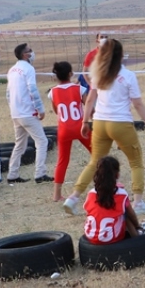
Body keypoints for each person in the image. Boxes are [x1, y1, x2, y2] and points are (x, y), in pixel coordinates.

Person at [62, 38, 145, 217]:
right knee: (136, 162)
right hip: (120, 123)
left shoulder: (97, 73)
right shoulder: (128, 75)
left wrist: (85, 122)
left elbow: (90, 99)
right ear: (121, 55)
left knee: (94, 162)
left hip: (99, 122)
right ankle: (138, 202)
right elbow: (138, 104)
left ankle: (73, 197)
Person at [5, 43, 50, 184]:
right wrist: (40, 109)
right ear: (25, 55)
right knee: (42, 141)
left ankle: (12, 174)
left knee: (20, 144)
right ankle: (40, 173)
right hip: (27, 113)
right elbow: (32, 89)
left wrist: (12, 107)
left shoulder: (12, 70)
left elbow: (8, 93)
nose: (32, 52)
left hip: (16, 113)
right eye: (30, 50)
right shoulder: (28, 69)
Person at [49, 61, 92, 203]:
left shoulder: (53, 92)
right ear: (70, 74)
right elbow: (88, 107)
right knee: (98, 153)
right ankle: (108, 182)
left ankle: (56, 195)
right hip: (80, 127)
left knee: (62, 161)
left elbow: (56, 110)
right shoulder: (78, 89)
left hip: (63, 129)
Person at [82, 156, 145, 245]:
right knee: (125, 214)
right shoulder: (121, 194)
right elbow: (131, 214)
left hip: (91, 237)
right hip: (113, 238)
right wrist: (137, 225)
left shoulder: (91, 193)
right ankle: (137, 234)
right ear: (117, 174)